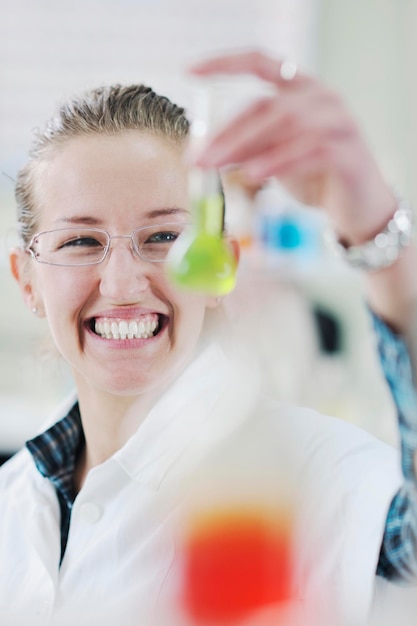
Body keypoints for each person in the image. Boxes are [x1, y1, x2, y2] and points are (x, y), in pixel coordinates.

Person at [1, 49, 416, 626]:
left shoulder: (331, 479)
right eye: (80, 242)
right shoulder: (11, 504)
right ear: (28, 281)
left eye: (165, 235)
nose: (122, 284)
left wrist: (381, 241)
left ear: (220, 264)